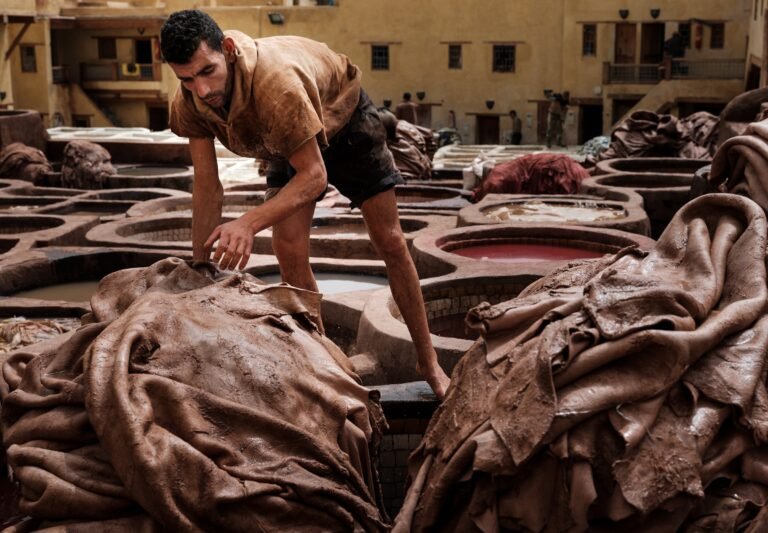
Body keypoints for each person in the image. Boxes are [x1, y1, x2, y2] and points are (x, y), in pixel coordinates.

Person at [160, 10, 450, 399]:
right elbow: (208, 187)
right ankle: (329, 364)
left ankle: (428, 362)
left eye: (207, 71)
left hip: (344, 119)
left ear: (227, 50)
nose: (202, 89)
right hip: (288, 137)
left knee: (390, 240)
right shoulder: (190, 102)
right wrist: (199, 267)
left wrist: (247, 223)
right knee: (288, 247)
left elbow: (315, 177)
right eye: (187, 78)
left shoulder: (275, 86)